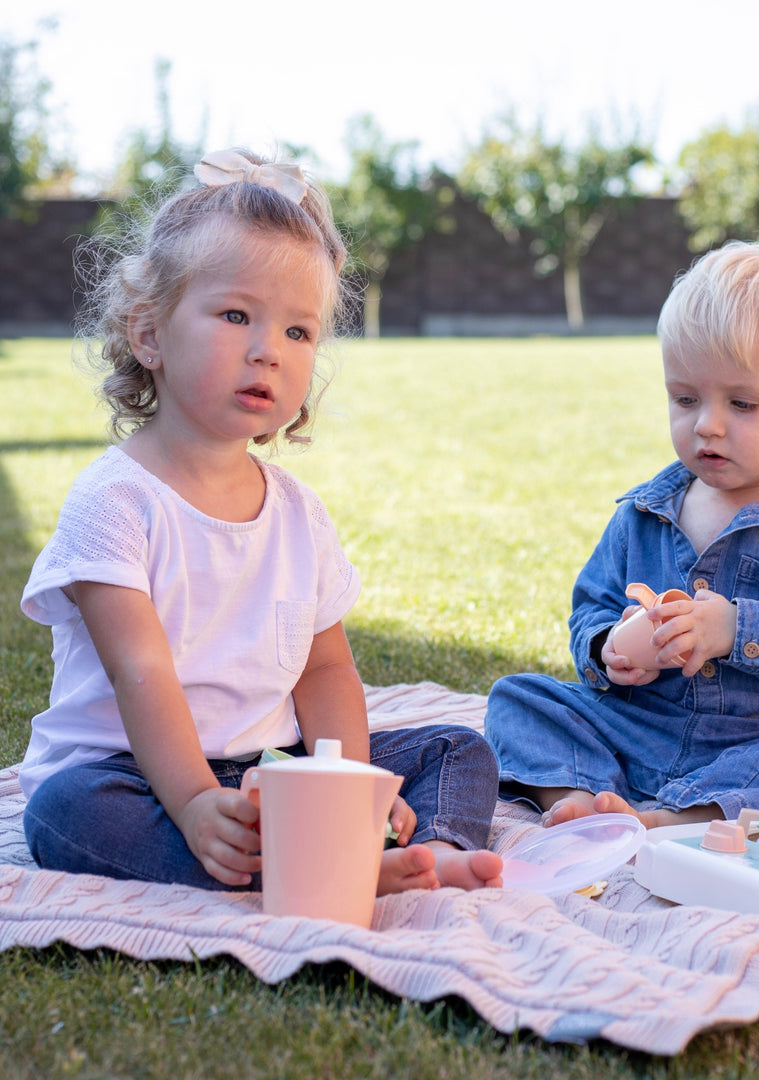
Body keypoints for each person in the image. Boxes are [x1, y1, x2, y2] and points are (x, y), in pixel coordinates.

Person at [20, 149, 502, 894]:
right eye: (237, 315)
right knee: (61, 812)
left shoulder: (298, 514)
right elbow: (138, 670)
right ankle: (305, 865)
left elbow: (326, 667)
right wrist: (194, 803)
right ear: (149, 333)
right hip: (133, 772)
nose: (265, 351)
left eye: (297, 333)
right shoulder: (115, 502)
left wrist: (345, 787)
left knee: (455, 749)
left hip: (268, 769)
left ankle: (409, 850)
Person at [485, 240, 759, 828]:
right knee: (520, 698)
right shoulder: (642, 513)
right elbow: (591, 607)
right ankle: (575, 797)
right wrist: (610, 647)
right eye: (685, 398)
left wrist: (738, 628)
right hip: (642, 725)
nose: (707, 424)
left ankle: (681, 818)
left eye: (743, 403)